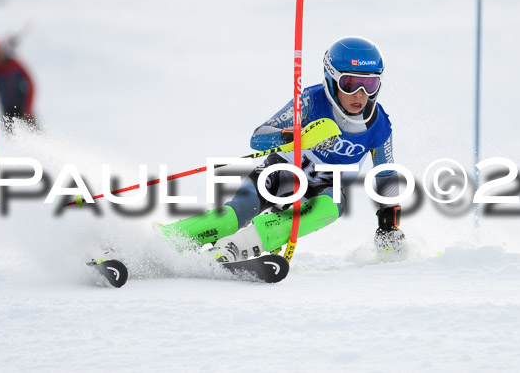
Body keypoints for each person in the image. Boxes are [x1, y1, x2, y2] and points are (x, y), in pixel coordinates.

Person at [162, 36, 404, 261]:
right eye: (350, 83)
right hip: (280, 176)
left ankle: (237, 247)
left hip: (322, 192)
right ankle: (162, 241)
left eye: (370, 84)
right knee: (230, 218)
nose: (360, 95)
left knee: (331, 207)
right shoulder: (309, 101)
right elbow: (258, 138)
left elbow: (385, 175)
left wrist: (389, 224)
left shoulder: (379, 123)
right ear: (332, 78)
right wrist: (296, 136)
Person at [0, 38, 36, 132]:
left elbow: (30, 84)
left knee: (35, 133)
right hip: (7, 112)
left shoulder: (14, 65)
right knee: (12, 139)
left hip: (22, 108)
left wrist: (28, 106)